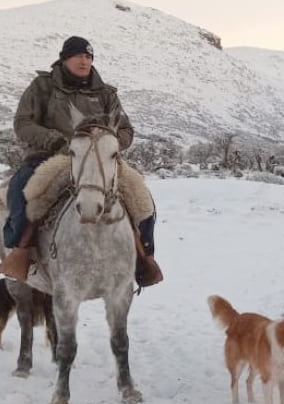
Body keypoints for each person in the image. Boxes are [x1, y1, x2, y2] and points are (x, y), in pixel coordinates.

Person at [0, 36, 163, 287]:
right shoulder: (42, 86)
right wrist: (53, 140)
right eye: (79, 56)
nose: (84, 61)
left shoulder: (106, 93)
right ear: (65, 59)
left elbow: (126, 130)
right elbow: (23, 123)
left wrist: (107, 143)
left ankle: (144, 260)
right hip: (51, 157)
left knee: (142, 199)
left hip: (99, 161)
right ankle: (19, 252)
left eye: (89, 57)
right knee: (21, 192)